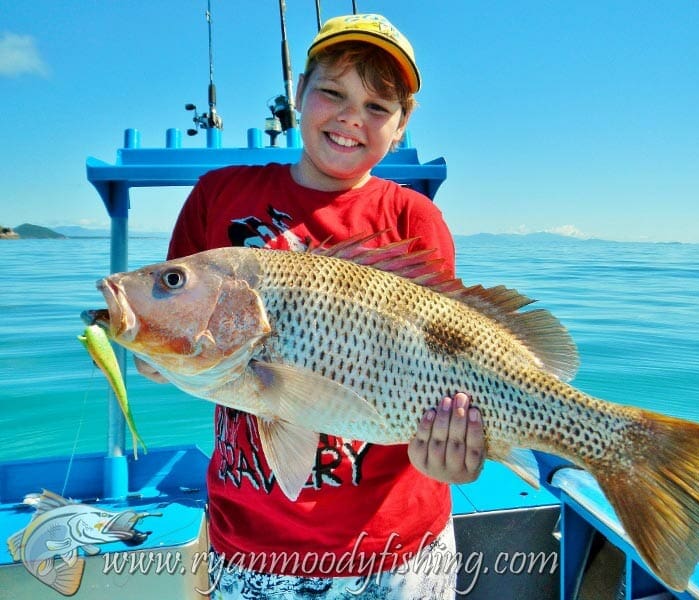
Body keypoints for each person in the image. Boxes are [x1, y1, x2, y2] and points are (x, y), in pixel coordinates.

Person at [143, 13, 486, 599]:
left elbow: (450, 360)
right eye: (332, 92)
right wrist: (153, 347)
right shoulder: (218, 196)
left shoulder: (413, 219)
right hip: (251, 547)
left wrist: (453, 455)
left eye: (379, 107)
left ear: (402, 126)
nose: (353, 116)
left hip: (396, 549)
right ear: (299, 92)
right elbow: (172, 336)